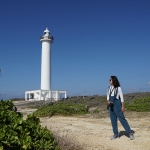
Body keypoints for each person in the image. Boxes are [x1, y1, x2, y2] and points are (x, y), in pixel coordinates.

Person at [107, 76, 135, 140]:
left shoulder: (118, 88)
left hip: (117, 104)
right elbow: (108, 97)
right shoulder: (109, 88)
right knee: (113, 120)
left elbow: (122, 98)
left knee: (122, 119)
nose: (109, 81)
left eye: (110, 79)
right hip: (111, 106)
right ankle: (116, 134)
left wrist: (123, 106)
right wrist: (108, 102)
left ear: (113, 80)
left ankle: (130, 133)